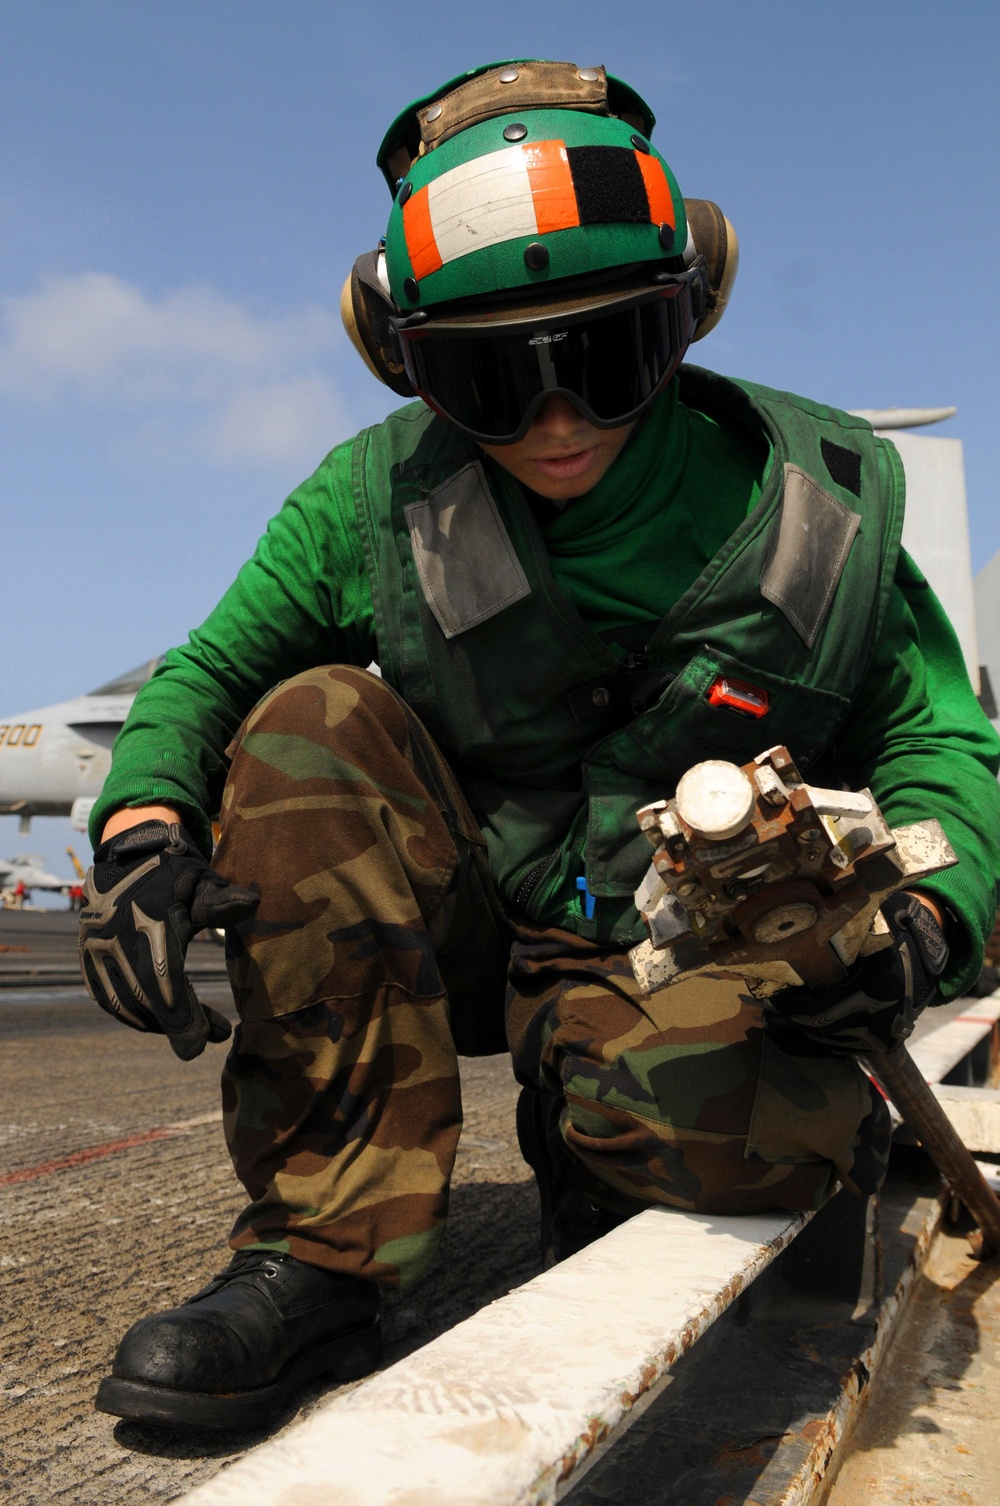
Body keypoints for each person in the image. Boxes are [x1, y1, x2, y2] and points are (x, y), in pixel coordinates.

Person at [80, 59, 1000, 1432]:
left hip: (687, 957)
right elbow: (208, 677)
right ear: (406, 363)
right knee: (310, 718)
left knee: (728, 1176)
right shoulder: (370, 501)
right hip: (459, 931)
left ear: (687, 317)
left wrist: (925, 923)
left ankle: (602, 1142)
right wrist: (142, 828)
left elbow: (942, 741)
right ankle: (326, 1251)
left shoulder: (821, 507)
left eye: (607, 357)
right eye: (489, 379)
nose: (558, 419)